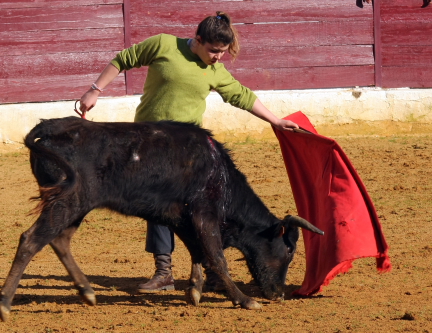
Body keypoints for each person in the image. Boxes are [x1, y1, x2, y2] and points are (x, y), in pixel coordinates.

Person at [79, 11, 299, 294]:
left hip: (188, 152)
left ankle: (214, 272)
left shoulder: (215, 70)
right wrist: (95, 90)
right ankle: (164, 271)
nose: (217, 57)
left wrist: (275, 120)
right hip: (148, 145)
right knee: (157, 205)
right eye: (213, 51)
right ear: (197, 40)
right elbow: (124, 59)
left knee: (203, 209)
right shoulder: (163, 45)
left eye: (222, 52)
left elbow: (241, 95)